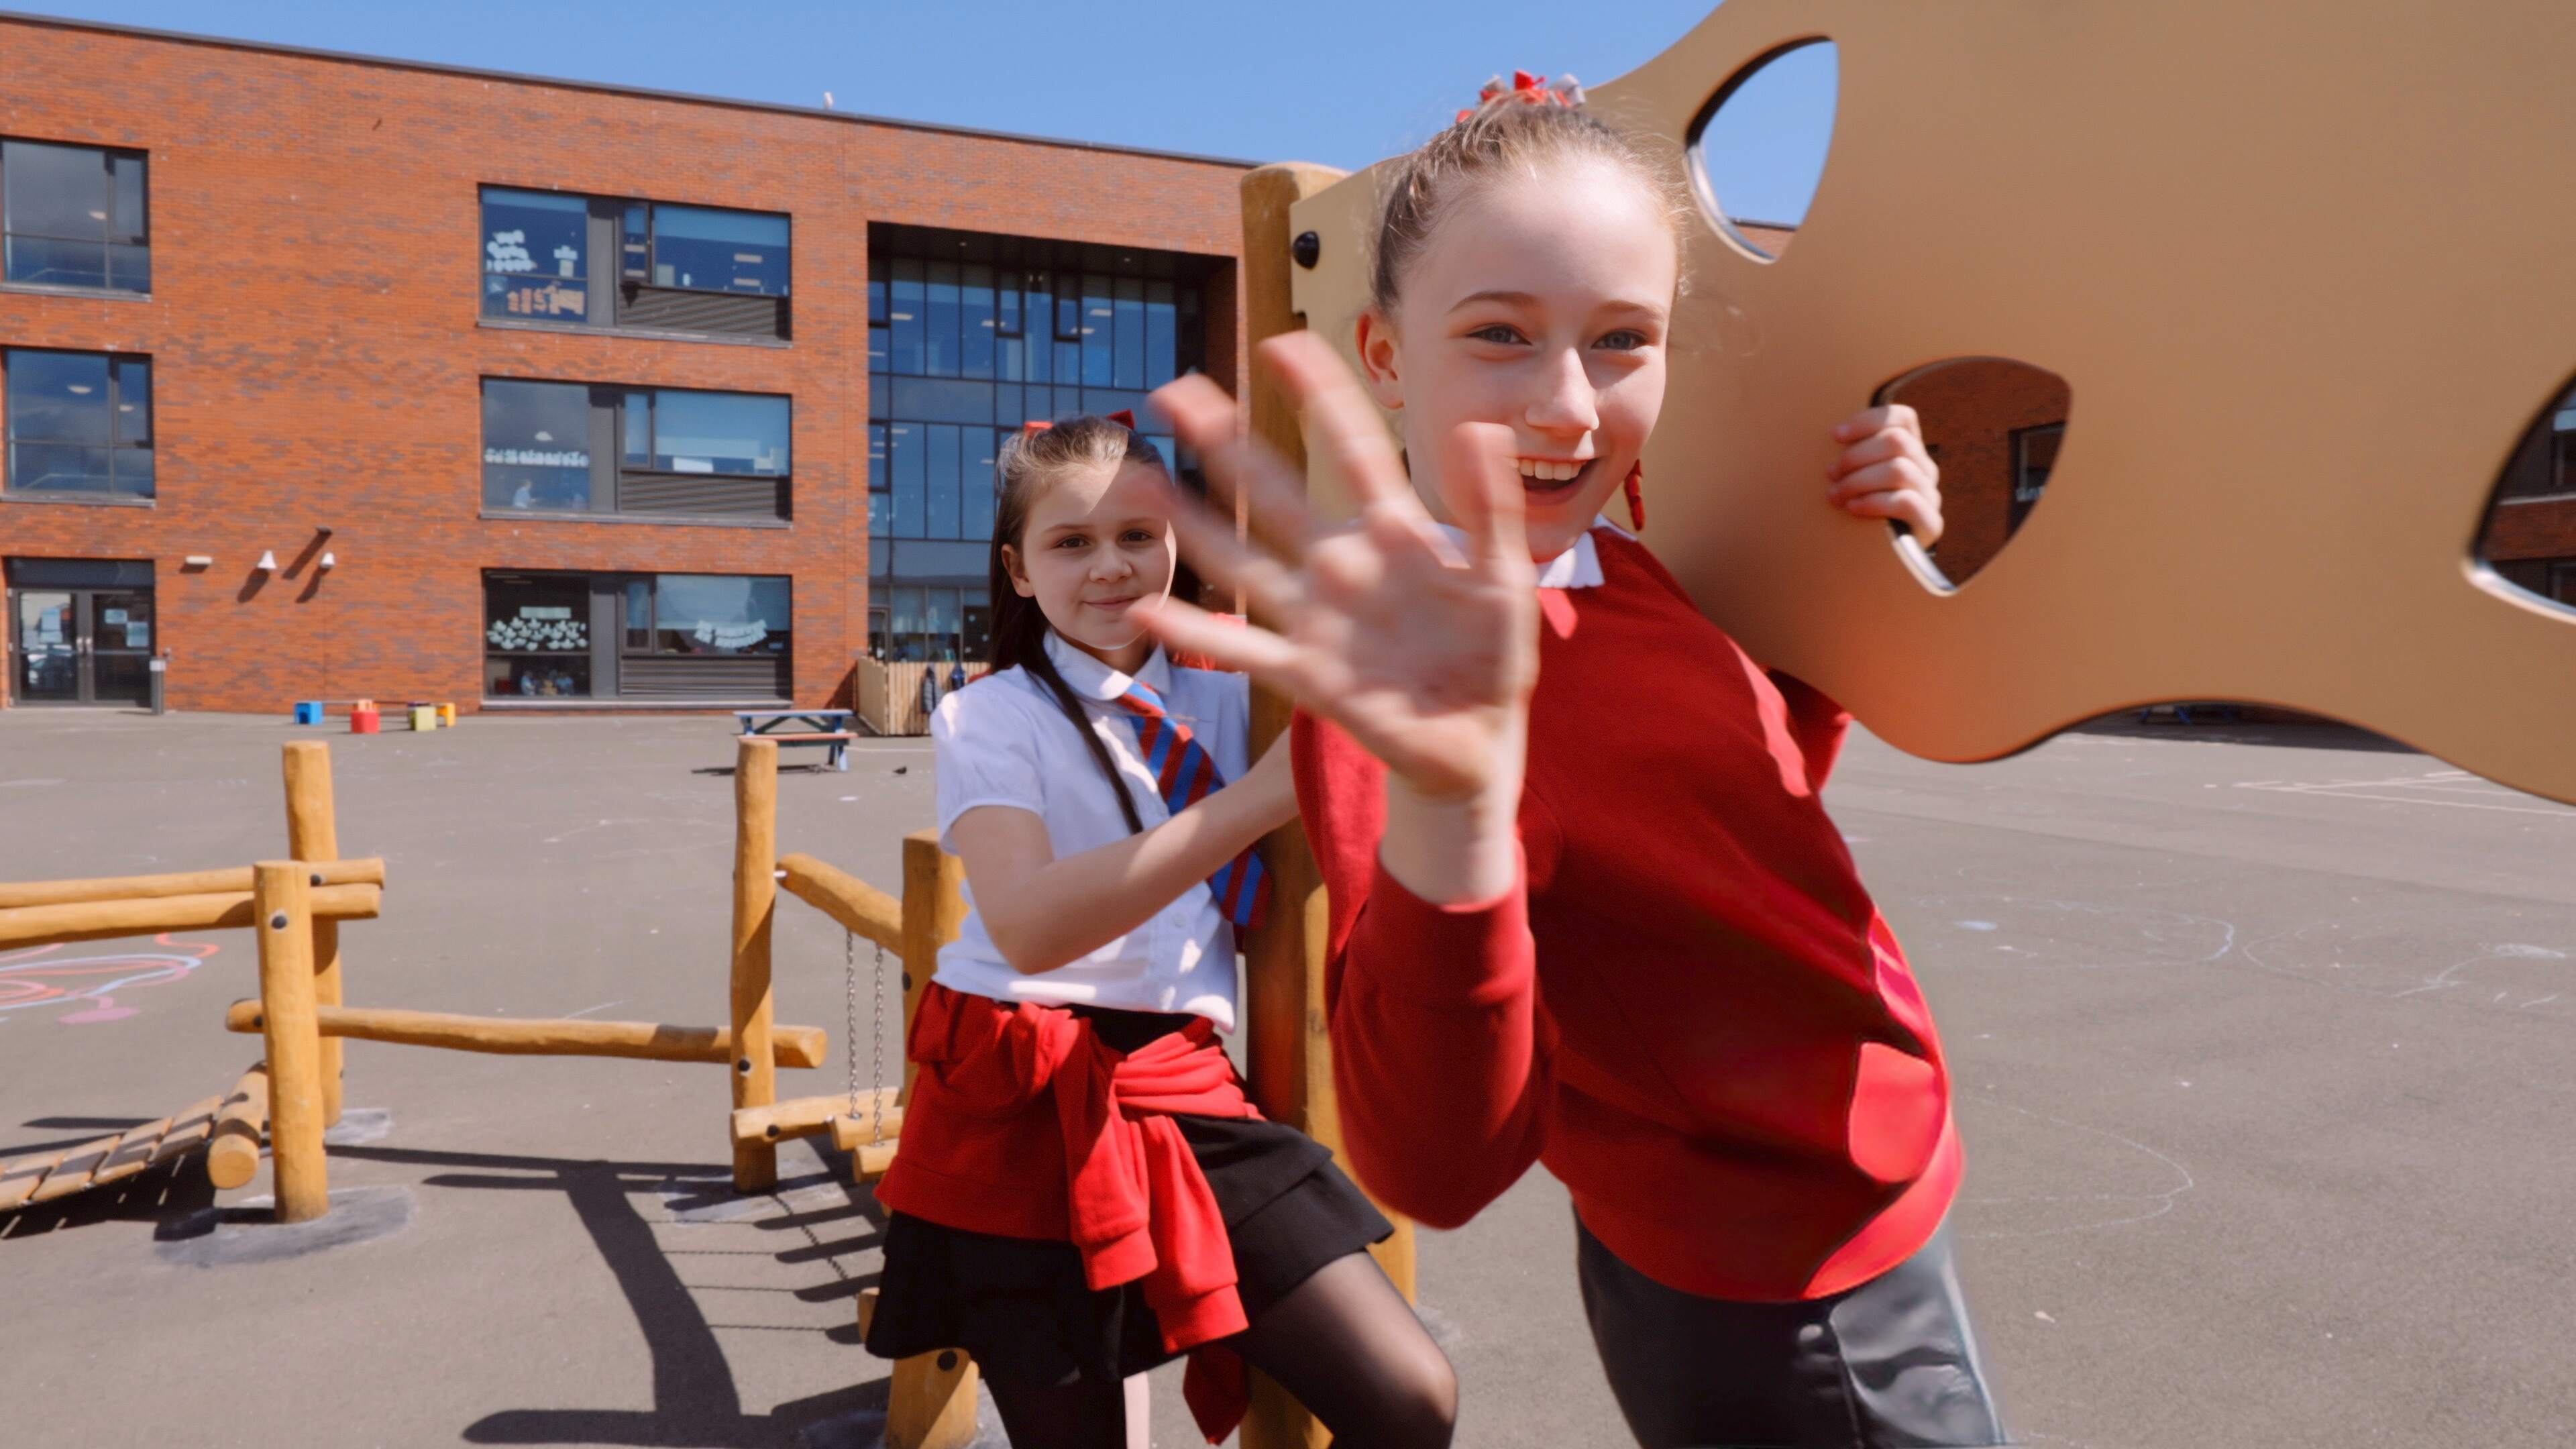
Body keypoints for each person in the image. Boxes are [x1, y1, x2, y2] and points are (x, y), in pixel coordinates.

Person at [1134, 87, 2010, 1449]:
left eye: (1621, 341)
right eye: (1500, 335)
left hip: (1856, 1187)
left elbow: (1717, 811)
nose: (1568, 406)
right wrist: (1454, 809)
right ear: (1384, 356)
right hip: (1780, 1278)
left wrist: (1858, 557)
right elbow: (1432, 1164)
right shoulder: (1405, 688)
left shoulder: (1620, 567)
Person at [863, 414, 1456, 1449]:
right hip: (1017, 1094)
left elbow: (1402, 661)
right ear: (1017, 568)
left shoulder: (1242, 697)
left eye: (1138, 535)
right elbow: (1029, 926)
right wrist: (1259, 799)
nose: (1111, 567)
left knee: (1409, 1397)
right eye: (1072, 543)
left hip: (1183, 1080)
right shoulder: (991, 714)